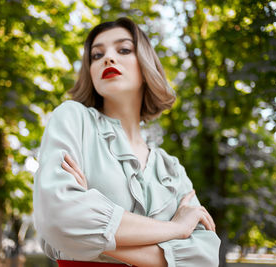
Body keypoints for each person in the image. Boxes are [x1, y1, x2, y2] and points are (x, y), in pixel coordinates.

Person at [33, 17, 221, 267]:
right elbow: (59, 220)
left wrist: (87, 240)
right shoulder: (73, 119)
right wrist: (175, 229)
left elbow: (205, 258)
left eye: (123, 50)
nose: (108, 58)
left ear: (145, 66)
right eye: (97, 55)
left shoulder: (171, 168)